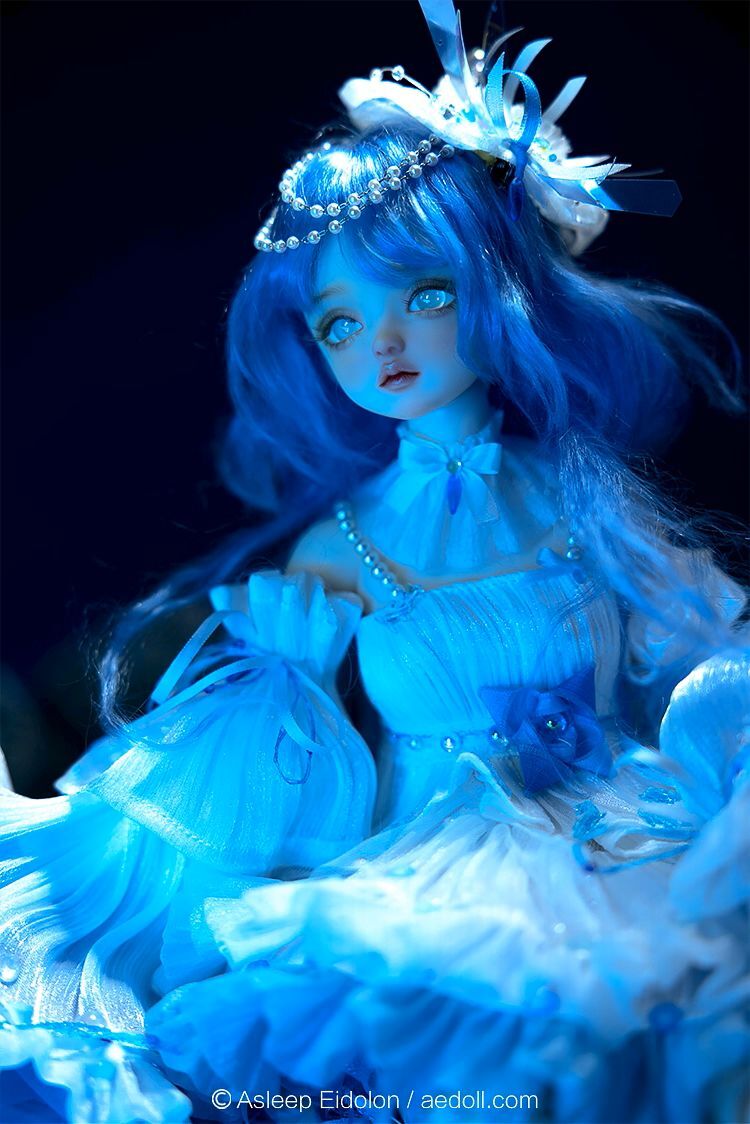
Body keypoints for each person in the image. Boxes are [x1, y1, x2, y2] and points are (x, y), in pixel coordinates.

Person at [1, 1, 747, 1121]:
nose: (382, 342)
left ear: (497, 290)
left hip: (618, 847)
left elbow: (690, 665)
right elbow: (291, 776)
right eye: (339, 324)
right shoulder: (334, 548)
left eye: (425, 295)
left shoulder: (581, 500)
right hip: (422, 883)